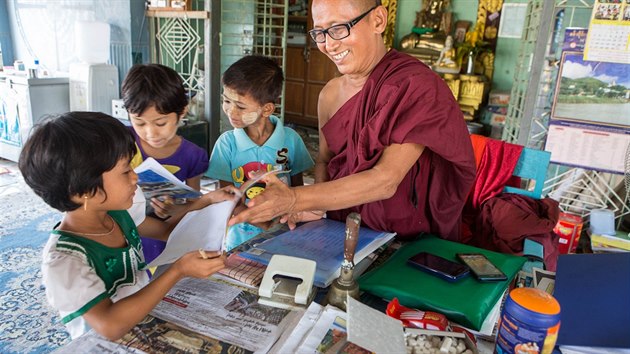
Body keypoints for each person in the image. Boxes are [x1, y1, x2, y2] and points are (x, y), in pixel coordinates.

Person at [229, 0, 476, 242]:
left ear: (378, 20)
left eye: (338, 29)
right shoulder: (329, 94)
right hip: (337, 229)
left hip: (402, 237)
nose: (328, 45)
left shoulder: (414, 85)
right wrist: (316, 209)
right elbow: (325, 161)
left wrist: (295, 198)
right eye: (320, 33)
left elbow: (385, 181)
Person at [18, 112, 236, 340]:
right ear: (83, 190)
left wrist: (205, 201)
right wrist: (178, 270)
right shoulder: (66, 261)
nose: (135, 178)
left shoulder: (117, 214)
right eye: (125, 171)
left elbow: (165, 231)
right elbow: (110, 325)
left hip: (142, 325)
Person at [206, 55, 314, 250]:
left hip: (285, 234)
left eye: (240, 106)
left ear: (267, 109)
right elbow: (227, 197)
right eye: (226, 101)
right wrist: (263, 224)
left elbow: (298, 192)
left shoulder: (291, 140)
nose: (230, 111)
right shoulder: (226, 144)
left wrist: (285, 220)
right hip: (239, 239)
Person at [122, 63, 209, 262]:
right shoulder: (122, 141)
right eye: (139, 122)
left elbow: (194, 201)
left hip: (165, 236)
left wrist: (176, 210)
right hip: (124, 235)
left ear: (182, 111)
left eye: (160, 123)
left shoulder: (192, 155)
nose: (150, 133)